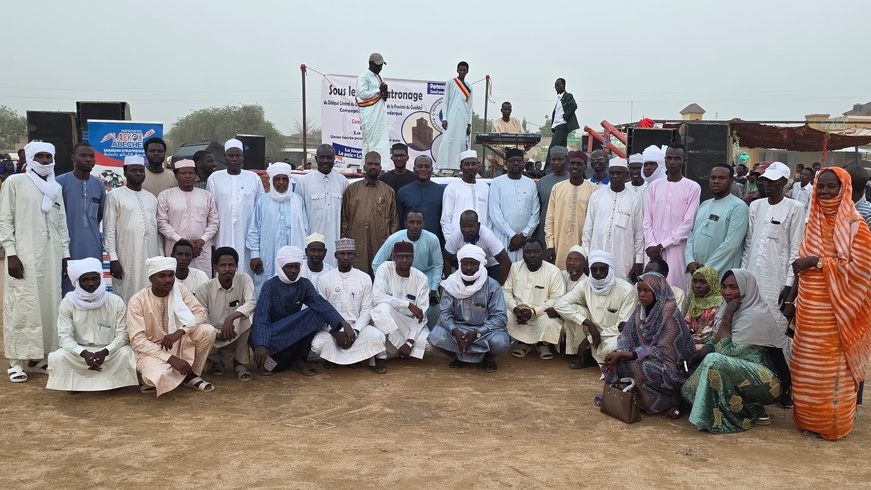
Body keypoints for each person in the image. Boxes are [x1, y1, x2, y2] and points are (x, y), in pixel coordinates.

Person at [785, 167, 871, 440]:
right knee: (805, 367)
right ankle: (808, 420)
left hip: (839, 316)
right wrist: (793, 298)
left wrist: (819, 262)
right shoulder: (813, 224)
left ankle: (833, 425)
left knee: (832, 370)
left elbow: (862, 271)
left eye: (830, 187)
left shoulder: (857, 226)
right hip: (809, 312)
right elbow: (800, 265)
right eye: (820, 186)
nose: (824, 192)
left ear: (843, 189)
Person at [1, 142, 71, 383]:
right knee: (23, 306)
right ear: (29, 158)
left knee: (49, 305)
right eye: (39, 156)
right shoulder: (15, 183)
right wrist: (10, 252)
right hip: (24, 256)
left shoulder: (56, 187)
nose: (44, 160)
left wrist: (65, 256)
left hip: (51, 256)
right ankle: (16, 361)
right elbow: (4, 220)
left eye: (47, 156)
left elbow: (61, 223)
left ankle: (40, 358)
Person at [683, 269, 785, 433]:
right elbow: (715, 340)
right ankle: (748, 408)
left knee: (714, 360)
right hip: (741, 370)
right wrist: (697, 355)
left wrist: (728, 316)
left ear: (746, 288)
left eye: (733, 287)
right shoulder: (729, 309)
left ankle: (745, 412)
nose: (727, 292)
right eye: (723, 287)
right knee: (689, 390)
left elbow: (725, 351)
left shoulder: (754, 315)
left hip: (767, 381)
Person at [603, 271, 696, 419]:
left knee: (643, 367)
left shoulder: (670, 315)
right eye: (639, 290)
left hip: (673, 368)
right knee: (618, 363)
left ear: (658, 291)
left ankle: (673, 402)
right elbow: (627, 337)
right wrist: (620, 353)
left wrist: (628, 354)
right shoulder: (641, 310)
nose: (641, 294)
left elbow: (665, 353)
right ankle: (638, 401)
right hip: (648, 358)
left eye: (647, 290)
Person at [250, 246, 348, 376]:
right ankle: (268, 360)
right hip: (272, 335)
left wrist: (343, 323)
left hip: (292, 330)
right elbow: (261, 317)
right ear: (280, 267)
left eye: (296, 267)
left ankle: (299, 359)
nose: (293, 271)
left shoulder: (304, 284)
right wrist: (261, 345)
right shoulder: (270, 285)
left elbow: (320, 303)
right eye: (289, 267)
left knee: (317, 312)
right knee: (276, 367)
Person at [742, 161, 804, 363]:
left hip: (777, 283)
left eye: (772, 181)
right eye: (764, 180)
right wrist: (743, 278)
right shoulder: (756, 206)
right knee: (751, 328)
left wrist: (788, 287)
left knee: (777, 332)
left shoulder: (795, 207)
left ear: (784, 182)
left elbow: (796, 249)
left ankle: (781, 384)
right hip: (753, 279)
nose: (767, 184)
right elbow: (749, 244)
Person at [127, 257, 216, 395]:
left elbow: (200, 313)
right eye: (162, 276)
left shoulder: (179, 289)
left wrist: (181, 331)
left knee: (207, 331)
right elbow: (137, 341)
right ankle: (149, 375)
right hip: (151, 350)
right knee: (157, 377)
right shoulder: (137, 300)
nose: (168, 280)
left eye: (171, 275)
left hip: (177, 342)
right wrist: (171, 359)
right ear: (151, 278)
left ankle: (190, 375)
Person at [46, 258, 138, 391]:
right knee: (58, 356)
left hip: (110, 351)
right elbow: (64, 337)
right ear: (77, 282)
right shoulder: (68, 303)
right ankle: (77, 384)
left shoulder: (115, 301)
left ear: (101, 278)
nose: (91, 284)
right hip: (78, 353)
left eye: (95, 278)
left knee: (127, 353)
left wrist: (105, 351)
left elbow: (123, 335)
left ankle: (113, 383)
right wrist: (83, 353)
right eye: (85, 280)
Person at [428, 244, 510, 372]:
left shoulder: (493, 286)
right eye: (465, 264)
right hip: (458, 330)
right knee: (435, 336)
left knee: (500, 342)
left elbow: (500, 318)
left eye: (473, 264)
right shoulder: (451, 284)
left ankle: (489, 358)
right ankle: (459, 356)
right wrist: (455, 331)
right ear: (460, 264)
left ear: (481, 264)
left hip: (484, 332)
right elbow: (445, 314)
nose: (469, 268)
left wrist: (477, 333)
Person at [311, 239, 388, 373]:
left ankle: (341, 359)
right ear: (335, 255)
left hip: (357, 330)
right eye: (342, 254)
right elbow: (322, 311)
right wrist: (335, 333)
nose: (345, 257)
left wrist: (355, 331)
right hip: (333, 331)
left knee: (378, 336)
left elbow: (367, 309)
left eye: (349, 253)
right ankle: (347, 358)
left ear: (354, 255)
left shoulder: (364, 278)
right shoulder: (325, 279)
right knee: (318, 344)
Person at [555, 250, 637, 370]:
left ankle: (592, 356)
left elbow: (622, 326)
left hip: (613, 335)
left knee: (615, 349)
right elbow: (559, 305)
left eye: (602, 269)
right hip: (591, 330)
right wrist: (587, 323)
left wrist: (588, 339)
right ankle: (586, 356)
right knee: (574, 309)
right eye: (594, 269)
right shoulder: (585, 284)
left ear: (610, 269)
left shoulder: (626, 290)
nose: (598, 273)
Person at [643, 142, 701, 291]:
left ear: (684, 161)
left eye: (677, 158)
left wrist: (662, 245)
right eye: (669, 158)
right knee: (650, 289)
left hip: (677, 249)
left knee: (675, 288)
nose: (672, 162)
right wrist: (652, 245)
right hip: (652, 249)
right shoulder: (654, 186)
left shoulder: (692, 187)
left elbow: (688, 224)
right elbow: (647, 220)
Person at [103, 156, 162, 303]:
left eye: (141, 171)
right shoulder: (114, 196)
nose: (138, 174)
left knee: (151, 292)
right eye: (133, 170)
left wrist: (161, 256)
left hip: (151, 254)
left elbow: (157, 231)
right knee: (129, 290)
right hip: (126, 255)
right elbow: (109, 229)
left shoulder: (151, 198)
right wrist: (113, 259)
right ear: (125, 172)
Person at [195, 247, 256, 382]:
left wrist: (231, 318)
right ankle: (217, 362)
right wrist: (216, 334)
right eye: (223, 265)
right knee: (201, 330)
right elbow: (201, 316)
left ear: (236, 266)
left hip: (235, 332)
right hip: (215, 336)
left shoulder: (244, 280)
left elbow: (251, 302)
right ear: (215, 267)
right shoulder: (204, 289)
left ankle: (240, 363)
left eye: (231, 265)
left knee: (250, 318)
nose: (227, 269)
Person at [247, 162, 308, 294]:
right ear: (271, 180)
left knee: (291, 289)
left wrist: (302, 257)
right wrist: (255, 255)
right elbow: (254, 230)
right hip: (267, 255)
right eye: (277, 179)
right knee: (266, 289)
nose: (281, 182)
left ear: (289, 180)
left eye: (284, 179)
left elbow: (305, 230)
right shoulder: (263, 201)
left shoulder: (298, 201)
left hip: (292, 257)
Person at [208, 138, 265, 279]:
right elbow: (211, 210)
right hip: (222, 233)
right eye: (230, 155)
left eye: (238, 155)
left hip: (247, 233)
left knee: (245, 272)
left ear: (243, 157)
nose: (234, 159)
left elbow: (260, 208)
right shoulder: (214, 178)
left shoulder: (253, 178)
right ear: (224, 157)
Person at [582, 157, 643, 281]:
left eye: (619, 173)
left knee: (622, 287)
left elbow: (639, 234)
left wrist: (639, 260)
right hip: (598, 252)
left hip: (623, 255)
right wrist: (586, 254)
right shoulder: (596, 196)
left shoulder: (635, 199)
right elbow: (588, 229)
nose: (615, 176)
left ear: (627, 174)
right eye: (612, 173)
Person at [56, 142, 105, 294]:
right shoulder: (59, 183)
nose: (88, 159)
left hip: (92, 246)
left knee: (92, 285)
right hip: (66, 247)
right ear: (73, 158)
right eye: (83, 155)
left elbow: (99, 215)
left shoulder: (99, 185)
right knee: (68, 287)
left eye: (91, 156)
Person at [370, 242, 430, 367]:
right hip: (386, 322)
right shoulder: (384, 268)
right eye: (400, 257)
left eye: (408, 257)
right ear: (393, 257)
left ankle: (398, 349)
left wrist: (409, 341)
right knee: (381, 309)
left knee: (427, 344)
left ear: (413, 258)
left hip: (407, 324)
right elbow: (377, 297)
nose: (404, 260)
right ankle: (389, 351)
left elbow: (421, 314)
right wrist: (408, 305)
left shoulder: (421, 278)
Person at [504, 238, 566, 360]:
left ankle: (543, 344)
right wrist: (515, 309)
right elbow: (505, 292)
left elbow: (557, 298)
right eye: (528, 252)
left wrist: (533, 312)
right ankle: (522, 344)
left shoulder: (553, 271)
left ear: (542, 253)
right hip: (518, 311)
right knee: (504, 315)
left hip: (541, 314)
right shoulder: (515, 268)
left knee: (551, 321)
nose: (532, 255)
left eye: (536, 252)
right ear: (523, 253)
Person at [685, 164, 749, 276]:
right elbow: (691, 235)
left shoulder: (738, 207)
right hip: (696, 273)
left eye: (721, 178)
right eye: (713, 178)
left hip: (720, 273)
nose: (716, 181)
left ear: (731, 181)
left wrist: (707, 269)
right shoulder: (704, 204)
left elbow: (731, 244)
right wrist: (690, 261)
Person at [341, 151, 398, 276]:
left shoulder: (388, 191)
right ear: (364, 166)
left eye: (376, 164)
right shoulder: (352, 189)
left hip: (380, 241)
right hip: (356, 240)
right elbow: (345, 219)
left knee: (379, 273)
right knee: (356, 275)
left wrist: (392, 247)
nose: (373, 166)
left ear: (380, 168)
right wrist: (345, 243)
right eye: (370, 164)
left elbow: (394, 223)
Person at [157, 159, 219, 272]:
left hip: (201, 250)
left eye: (191, 173)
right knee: (175, 282)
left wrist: (202, 241)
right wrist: (182, 241)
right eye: (183, 173)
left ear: (195, 175)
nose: (187, 176)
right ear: (176, 175)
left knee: (201, 283)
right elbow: (162, 223)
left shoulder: (207, 196)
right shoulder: (165, 196)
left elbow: (214, 222)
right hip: (176, 250)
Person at [372, 209, 443, 305]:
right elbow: (376, 263)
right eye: (411, 222)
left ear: (423, 224)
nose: (415, 226)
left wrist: (434, 288)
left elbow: (438, 265)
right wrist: (384, 281)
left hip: (425, 276)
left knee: (430, 307)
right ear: (405, 224)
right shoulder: (394, 238)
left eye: (419, 223)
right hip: (399, 276)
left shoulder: (432, 239)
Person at [295, 144, 349, 268]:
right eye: (322, 157)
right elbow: (299, 216)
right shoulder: (304, 182)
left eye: (329, 158)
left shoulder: (343, 182)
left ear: (334, 159)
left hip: (336, 240)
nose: (325, 161)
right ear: (316, 158)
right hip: (311, 242)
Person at [545, 149, 598, 269]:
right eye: (573, 163)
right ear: (568, 164)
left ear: (585, 166)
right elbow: (550, 219)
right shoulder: (557, 188)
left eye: (579, 164)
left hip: (584, 246)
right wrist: (550, 246)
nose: (575, 167)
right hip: (559, 245)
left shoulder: (594, 190)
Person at [488, 148, 540, 262]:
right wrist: (512, 235)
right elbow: (495, 214)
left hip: (525, 241)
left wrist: (524, 235)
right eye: (512, 161)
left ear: (523, 163)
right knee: (505, 272)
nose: (516, 163)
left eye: (519, 160)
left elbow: (535, 212)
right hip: (504, 238)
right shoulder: (497, 183)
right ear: (506, 164)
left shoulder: (530, 183)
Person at [445, 210, 511, 285]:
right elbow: (446, 259)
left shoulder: (487, 236)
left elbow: (506, 262)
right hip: (468, 267)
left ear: (478, 225)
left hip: (490, 267)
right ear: (459, 225)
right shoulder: (455, 236)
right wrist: (449, 283)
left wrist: (498, 286)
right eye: (463, 226)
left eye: (471, 226)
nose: (466, 230)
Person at [440, 150, 490, 242]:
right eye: (466, 164)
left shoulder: (485, 188)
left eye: (473, 164)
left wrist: (488, 239)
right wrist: (451, 242)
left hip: (483, 240)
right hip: (459, 240)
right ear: (461, 167)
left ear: (478, 165)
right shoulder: (452, 188)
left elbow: (489, 217)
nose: (470, 167)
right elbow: (446, 219)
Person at [396, 155, 445, 243]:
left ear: (432, 169)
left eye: (427, 166)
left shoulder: (442, 192)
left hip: (436, 242)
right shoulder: (403, 192)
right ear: (414, 169)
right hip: (409, 242)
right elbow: (399, 221)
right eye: (419, 166)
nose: (423, 169)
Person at [438, 61, 473, 174]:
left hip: (463, 119)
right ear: (457, 70)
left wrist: (469, 124)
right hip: (451, 118)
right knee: (447, 141)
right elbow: (445, 101)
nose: (462, 72)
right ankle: (441, 167)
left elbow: (469, 106)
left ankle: (458, 169)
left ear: (467, 71)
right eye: (460, 70)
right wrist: (444, 118)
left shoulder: (469, 86)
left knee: (460, 143)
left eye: (464, 70)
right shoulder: (451, 82)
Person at [357, 53, 390, 167]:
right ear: (370, 63)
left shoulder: (379, 77)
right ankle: (366, 166)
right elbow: (362, 94)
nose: (380, 68)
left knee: (381, 141)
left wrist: (384, 95)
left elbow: (379, 95)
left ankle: (383, 166)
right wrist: (378, 90)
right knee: (370, 142)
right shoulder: (363, 77)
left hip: (380, 114)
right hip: (370, 115)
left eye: (381, 65)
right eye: (378, 65)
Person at [534, 146, 570, 243]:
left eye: (560, 159)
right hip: (545, 229)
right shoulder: (543, 182)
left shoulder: (573, 180)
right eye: (554, 159)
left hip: (567, 229)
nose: (556, 162)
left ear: (567, 160)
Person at [544, 78, 579, 174]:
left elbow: (574, 106)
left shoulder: (568, 96)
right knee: (563, 149)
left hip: (562, 125)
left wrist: (565, 116)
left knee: (552, 148)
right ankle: (565, 168)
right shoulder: (559, 98)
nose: (556, 88)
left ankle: (546, 170)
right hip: (557, 126)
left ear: (563, 85)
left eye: (558, 85)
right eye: (555, 86)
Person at [684, 266, 723, 349]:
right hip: (690, 341)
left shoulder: (719, 305)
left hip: (708, 346)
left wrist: (686, 339)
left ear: (712, 283)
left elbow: (707, 335)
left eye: (703, 282)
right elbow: (686, 324)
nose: (697, 286)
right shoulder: (695, 301)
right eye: (695, 281)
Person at [485, 101, 526, 176]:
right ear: (501, 110)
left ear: (511, 110)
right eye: (505, 109)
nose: (507, 111)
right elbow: (494, 140)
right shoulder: (496, 123)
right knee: (490, 157)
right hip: (501, 149)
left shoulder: (516, 121)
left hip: (515, 148)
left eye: (508, 110)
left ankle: (511, 168)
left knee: (526, 156)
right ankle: (501, 168)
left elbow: (522, 135)